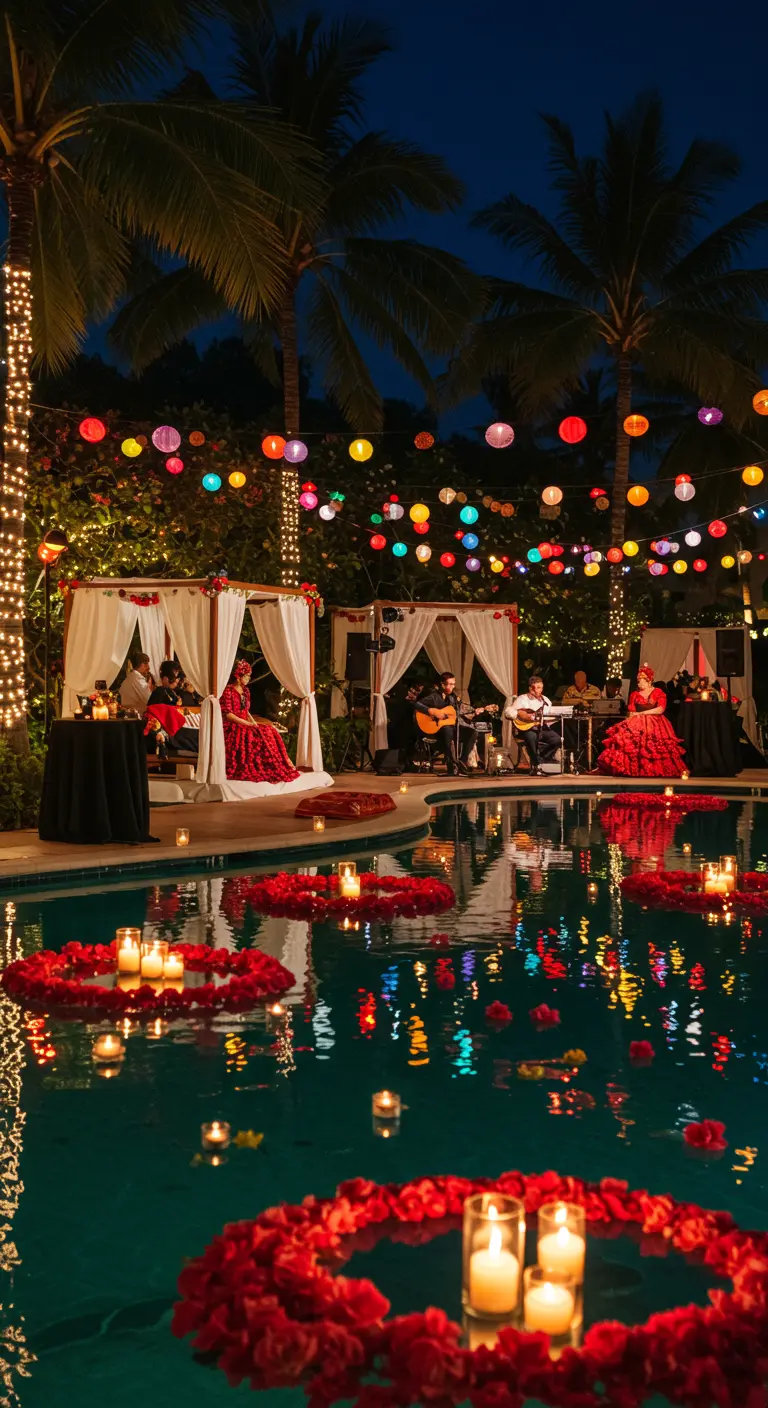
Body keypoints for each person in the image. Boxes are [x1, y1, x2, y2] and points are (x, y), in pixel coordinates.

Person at [597, 664, 686, 777]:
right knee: (629, 743)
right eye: (638, 681)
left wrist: (643, 713)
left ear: (649, 681)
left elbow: (660, 709)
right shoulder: (635, 694)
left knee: (653, 746)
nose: (640, 684)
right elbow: (631, 710)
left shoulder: (658, 692)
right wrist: (631, 717)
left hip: (655, 722)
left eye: (642, 681)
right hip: (637, 721)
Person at [220, 659, 300, 783]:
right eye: (246, 676)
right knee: (254, 734)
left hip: (245, 722)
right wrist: (247, 724)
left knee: (269, 730)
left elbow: (245, 710)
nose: (248, 678)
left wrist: (253, 723)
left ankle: (281, 763)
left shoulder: (245, 691)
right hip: (233, 725)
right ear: (238, 676)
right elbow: (228, 714)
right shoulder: (228, 691)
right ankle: (260, 765)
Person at [414, 673, 478, 775]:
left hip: (450, 729)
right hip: (434, 730)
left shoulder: (452, 698)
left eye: (454, 684)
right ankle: (451, 765)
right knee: (447, 729)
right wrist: (431, 711)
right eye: (450, 684)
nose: (453, 686)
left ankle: (462, 762)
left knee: (472, 732)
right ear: (442, 685)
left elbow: (460, 710)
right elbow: (416, 704)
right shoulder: (433, 696)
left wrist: (475, 711)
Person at [506, 676, 561, 772]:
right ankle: (536, 763)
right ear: (531, 688)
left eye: (541, 688)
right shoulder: (522, 699)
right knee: (531, 737)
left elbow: (549, 716)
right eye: (538, 687)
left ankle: (541, 759)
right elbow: (509, 712)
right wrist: (524, 715)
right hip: (527, 728)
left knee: (557, 740)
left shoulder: (546, 700)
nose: (540, 690)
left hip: (542, 727)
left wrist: (553, 718)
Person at [147, 661, 200, 754]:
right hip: (169, 730)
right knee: (198, 737)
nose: (177, 680)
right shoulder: (159, 692)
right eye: (174, 677)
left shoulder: (170, 691)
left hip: (175, 727)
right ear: (165, 679)